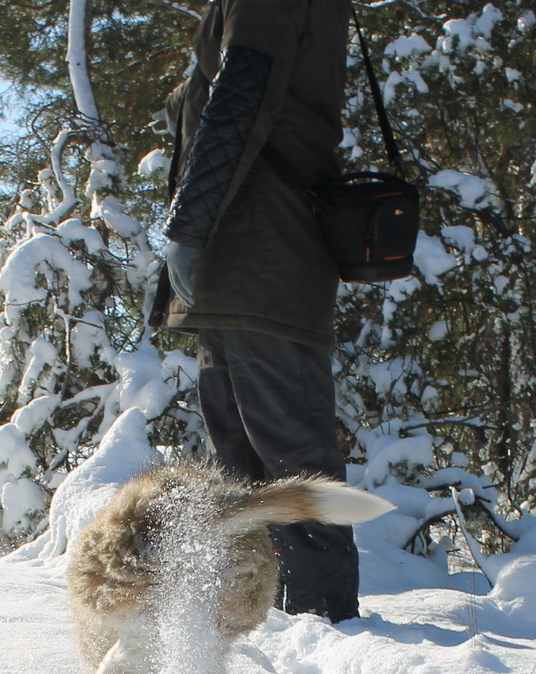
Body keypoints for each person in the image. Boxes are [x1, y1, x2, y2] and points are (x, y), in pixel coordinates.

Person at [157, 0, 359, 623]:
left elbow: (242, 98)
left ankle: (322, 626)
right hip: (237, 264)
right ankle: (262, 621)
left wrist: (189, 226)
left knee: (289, 458)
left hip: (262, 259)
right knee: (239, 468)